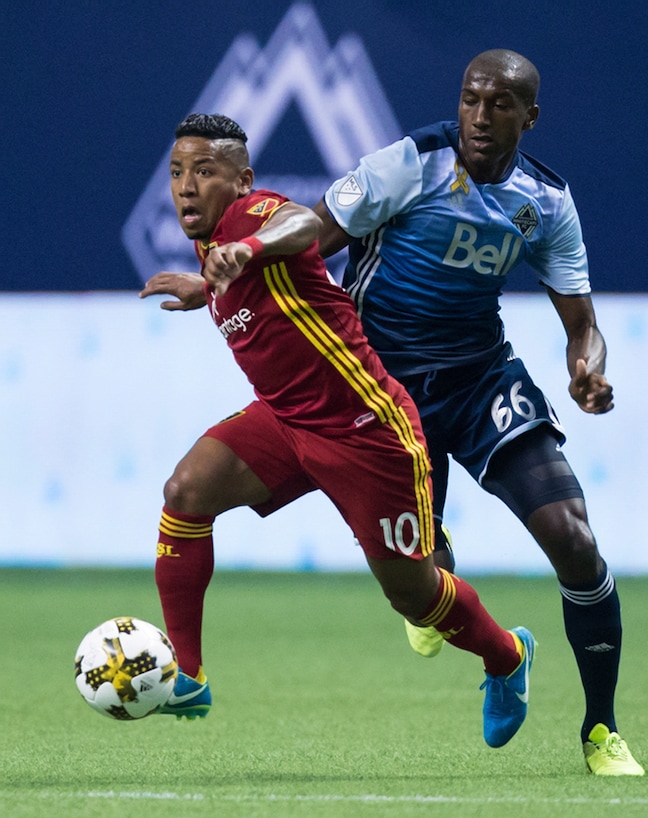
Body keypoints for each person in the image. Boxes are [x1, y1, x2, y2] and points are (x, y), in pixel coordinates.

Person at [139, 112, 536, 749]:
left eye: (204, 172)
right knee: (186, 492)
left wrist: (252, 247)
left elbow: (299, 224)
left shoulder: (251, 219)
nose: (186, 186)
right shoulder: (211, 241)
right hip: (287, 419)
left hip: (367, 430)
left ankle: (507, 657)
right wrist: (202, 285)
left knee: (413, 596)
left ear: (241, 181)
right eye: (178, 173)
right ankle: (188, 675)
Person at [312, 50, 644, 777]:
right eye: (471, 100)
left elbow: (582, 323)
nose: (481, 117)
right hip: (386, 389)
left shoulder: (546, 201)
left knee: (575, 540)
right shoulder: (411, 165)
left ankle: (601, 730)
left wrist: (587, 366)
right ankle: (466, 600)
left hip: (480, 377)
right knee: (425, 582)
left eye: (501, 105)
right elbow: (313, 237)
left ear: (531, 117)